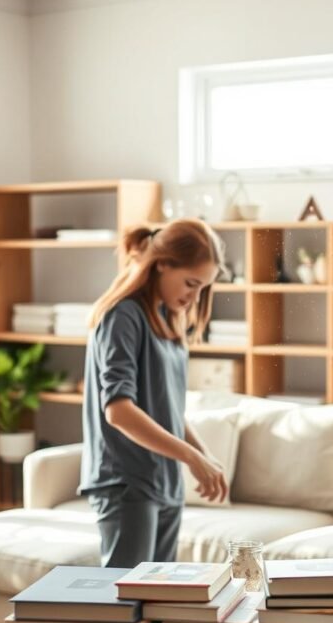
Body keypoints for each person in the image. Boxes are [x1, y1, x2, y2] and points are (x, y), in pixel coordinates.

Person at [80, 219, 229, 569]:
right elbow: (118, 411)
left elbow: (168, 410)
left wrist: (203, 456)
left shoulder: (167, 320)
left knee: (161, 603)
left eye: (203, 289)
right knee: (126, 607)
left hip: (163, 482)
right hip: (126, 482)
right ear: (162, 263)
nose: (194, 297)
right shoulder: (123, 317)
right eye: (191, 284)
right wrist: (192, 458)